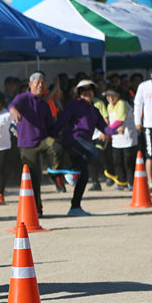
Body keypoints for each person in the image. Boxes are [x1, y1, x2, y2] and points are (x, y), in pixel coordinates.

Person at [50, 80, 118, 216]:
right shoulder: (74, 105)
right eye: (84, 90)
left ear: (94, 92)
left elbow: (104, 128)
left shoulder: (94, 110)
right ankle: (72, 171)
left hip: (82, 145)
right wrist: (52, 135)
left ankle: (75, 207)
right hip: (72, 140)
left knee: (84, 176)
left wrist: (116, 130)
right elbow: (62, 120)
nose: (87, 93)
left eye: (90, 90)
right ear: (79, 93)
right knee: (94, 151)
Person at [8, 72, 65, 217]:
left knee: (57, 148)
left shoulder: (44, 104)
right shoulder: (23, 97)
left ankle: (55, 173)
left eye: (43, 82)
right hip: (26, 144)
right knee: (34, 178)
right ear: (30, 84)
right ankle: (37, 207)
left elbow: (50, 126)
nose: (41, 85)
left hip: (42, 140)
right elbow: (12, 106)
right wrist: (14, 113)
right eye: (37, 82)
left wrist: (55, 137)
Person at [104, 87, 137, 190]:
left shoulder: (122, 103)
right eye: (107, 96)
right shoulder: (109, 106)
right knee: (117, 161)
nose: (109, 98)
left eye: (112, 95)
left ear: (118, 95)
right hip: (116, 139)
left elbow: (119, 121)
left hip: (128, 138)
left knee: (128, 162)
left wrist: (106, 130)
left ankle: (132, 183)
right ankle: (122, 183)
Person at [133, 64, 152, 191]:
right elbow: (137, 104)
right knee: (151, 153)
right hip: (150, 125)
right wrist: (137, 121)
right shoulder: (144, 87)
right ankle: (150, 180)